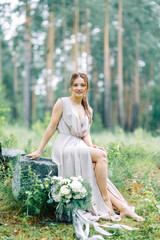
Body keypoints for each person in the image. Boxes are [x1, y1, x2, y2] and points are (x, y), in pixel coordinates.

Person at [26, 72, 144, 222]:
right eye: (76, 85)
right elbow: (51, 127)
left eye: (82, 85)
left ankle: (123, 208)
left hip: (79, 145)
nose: (79, 88)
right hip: (65, 147)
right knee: (101, 156)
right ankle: (106, 201)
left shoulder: (87, 109)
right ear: (71, 87)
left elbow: (85, 133)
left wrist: (91, 146)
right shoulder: (62, 103)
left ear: (87, 87)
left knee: (98, 161)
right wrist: (39, 150)